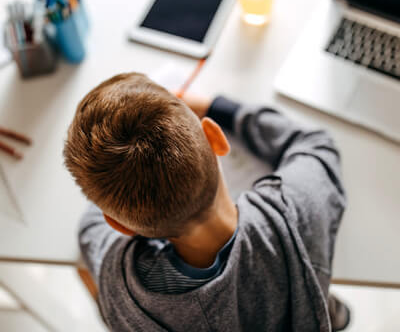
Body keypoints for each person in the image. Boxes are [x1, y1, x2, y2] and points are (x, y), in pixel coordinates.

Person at [64, 72, 350, 331]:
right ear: (216, 138)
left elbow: (90, 228)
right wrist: (217, 107)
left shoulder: (120, 283)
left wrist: (116, 183)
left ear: (120, 225)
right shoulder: (295, 213)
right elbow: (314, 144)